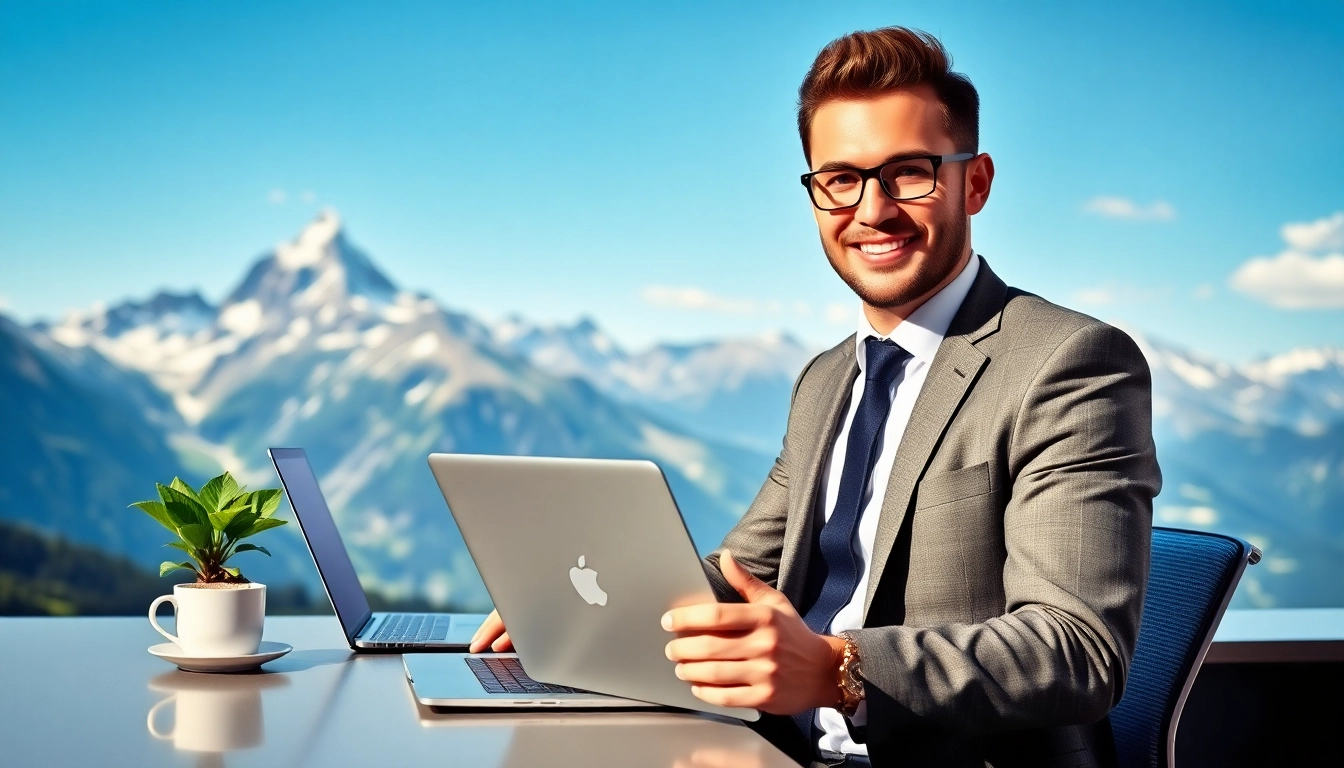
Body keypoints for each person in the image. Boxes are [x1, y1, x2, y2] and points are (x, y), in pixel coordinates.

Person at [472, 26, 1160, 768]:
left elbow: (1078, 651)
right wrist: (572, 613)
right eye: (841, 179)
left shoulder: (1070, 363)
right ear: (814, 196)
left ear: (976, 182)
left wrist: (840, 669)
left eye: (910, 173)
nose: (872, 210)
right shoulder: (827, 380)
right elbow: (744, 572)